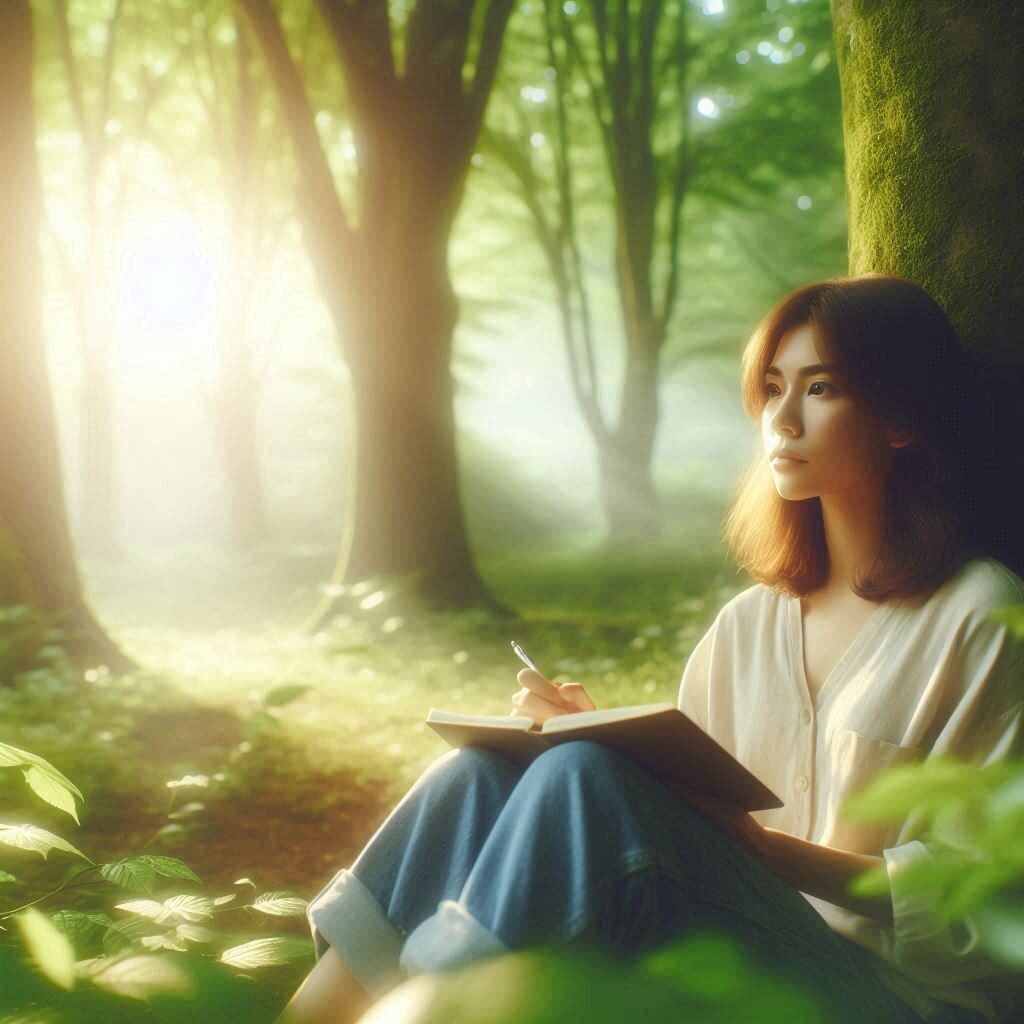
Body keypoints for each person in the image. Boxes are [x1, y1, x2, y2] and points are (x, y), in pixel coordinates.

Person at [280, 275, 1024, 1024]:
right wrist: (612, 746)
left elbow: (993, 901)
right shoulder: (746, 627)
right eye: (771, 389)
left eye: (820, 388)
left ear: (900, 418)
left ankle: (450, 1009)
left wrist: (769, 854)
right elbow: (686, 821)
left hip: (894, 1000)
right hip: (738, 956)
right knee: (476, 774)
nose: (783, 420)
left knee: (582, 778)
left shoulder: (979, 618)